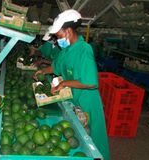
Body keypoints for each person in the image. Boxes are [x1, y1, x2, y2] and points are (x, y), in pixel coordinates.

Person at [34, 9, 110, 160]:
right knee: (78, 138)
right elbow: (56, 66)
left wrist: (64, 84)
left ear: (68, 31)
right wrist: (42, 71)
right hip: (74, 99)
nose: (58, 39)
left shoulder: (84, 49)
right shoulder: (66, 50)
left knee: (92, 142)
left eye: (59, 35)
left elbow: (90, 83)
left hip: (87, 102)